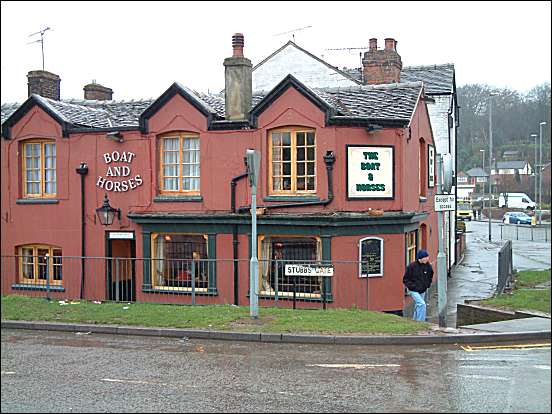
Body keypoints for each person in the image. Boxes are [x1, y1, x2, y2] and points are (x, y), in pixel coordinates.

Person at [403, 249, 434, 321]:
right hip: (413, 290)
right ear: (421, 258)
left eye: (427, 257)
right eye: (425, 257)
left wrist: (427, 285)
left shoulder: (428, 266)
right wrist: (411, 286)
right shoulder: (412, 266)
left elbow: (430, 276)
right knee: (422, 304)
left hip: (422, 290)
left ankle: (415, 320)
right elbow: (405, 279)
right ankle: (421, 321)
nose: (427, 258)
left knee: (418, 305)